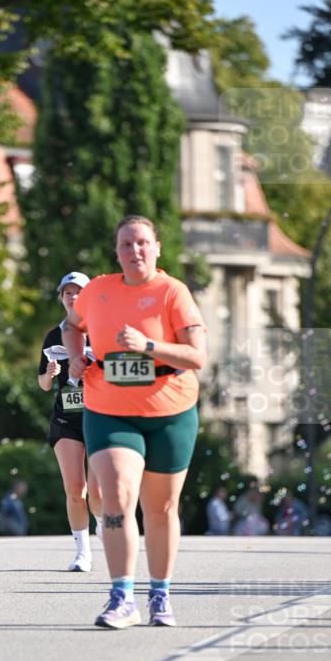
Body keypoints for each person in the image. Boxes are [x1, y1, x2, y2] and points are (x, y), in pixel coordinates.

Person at [63, 215, 207, 628]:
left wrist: (148, 346)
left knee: (160, 508)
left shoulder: (172, 292)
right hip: (108, 408)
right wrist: (75, 354)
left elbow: (197, 356)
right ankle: (121, 597)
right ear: (117, 252)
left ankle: (159, 594)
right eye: (126, 244)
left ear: (157, 248)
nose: (135, 251)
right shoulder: (97, 291)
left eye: (142, 243)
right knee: (118, 496)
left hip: (170, 410)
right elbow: (71, 326)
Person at [38, 271, 102, 572]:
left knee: (99, 493)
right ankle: (82, 552)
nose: (72, 297)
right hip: (66, 419)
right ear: (61, 298)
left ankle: (102, 523)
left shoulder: (103, 328)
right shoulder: (53, 336)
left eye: (78, 292)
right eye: (67, 293)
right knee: (76, 490)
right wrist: (48, 374)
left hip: (101, 417)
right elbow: (43, 385)